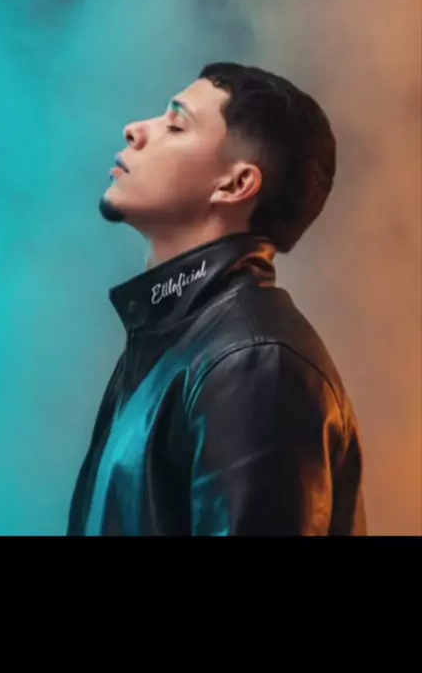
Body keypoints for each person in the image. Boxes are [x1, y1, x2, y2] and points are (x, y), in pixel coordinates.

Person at [67, 62, 367, 536]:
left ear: (235, 184)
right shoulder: (179, 340)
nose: (135, 130)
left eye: (176, 125)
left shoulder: (253, 363)